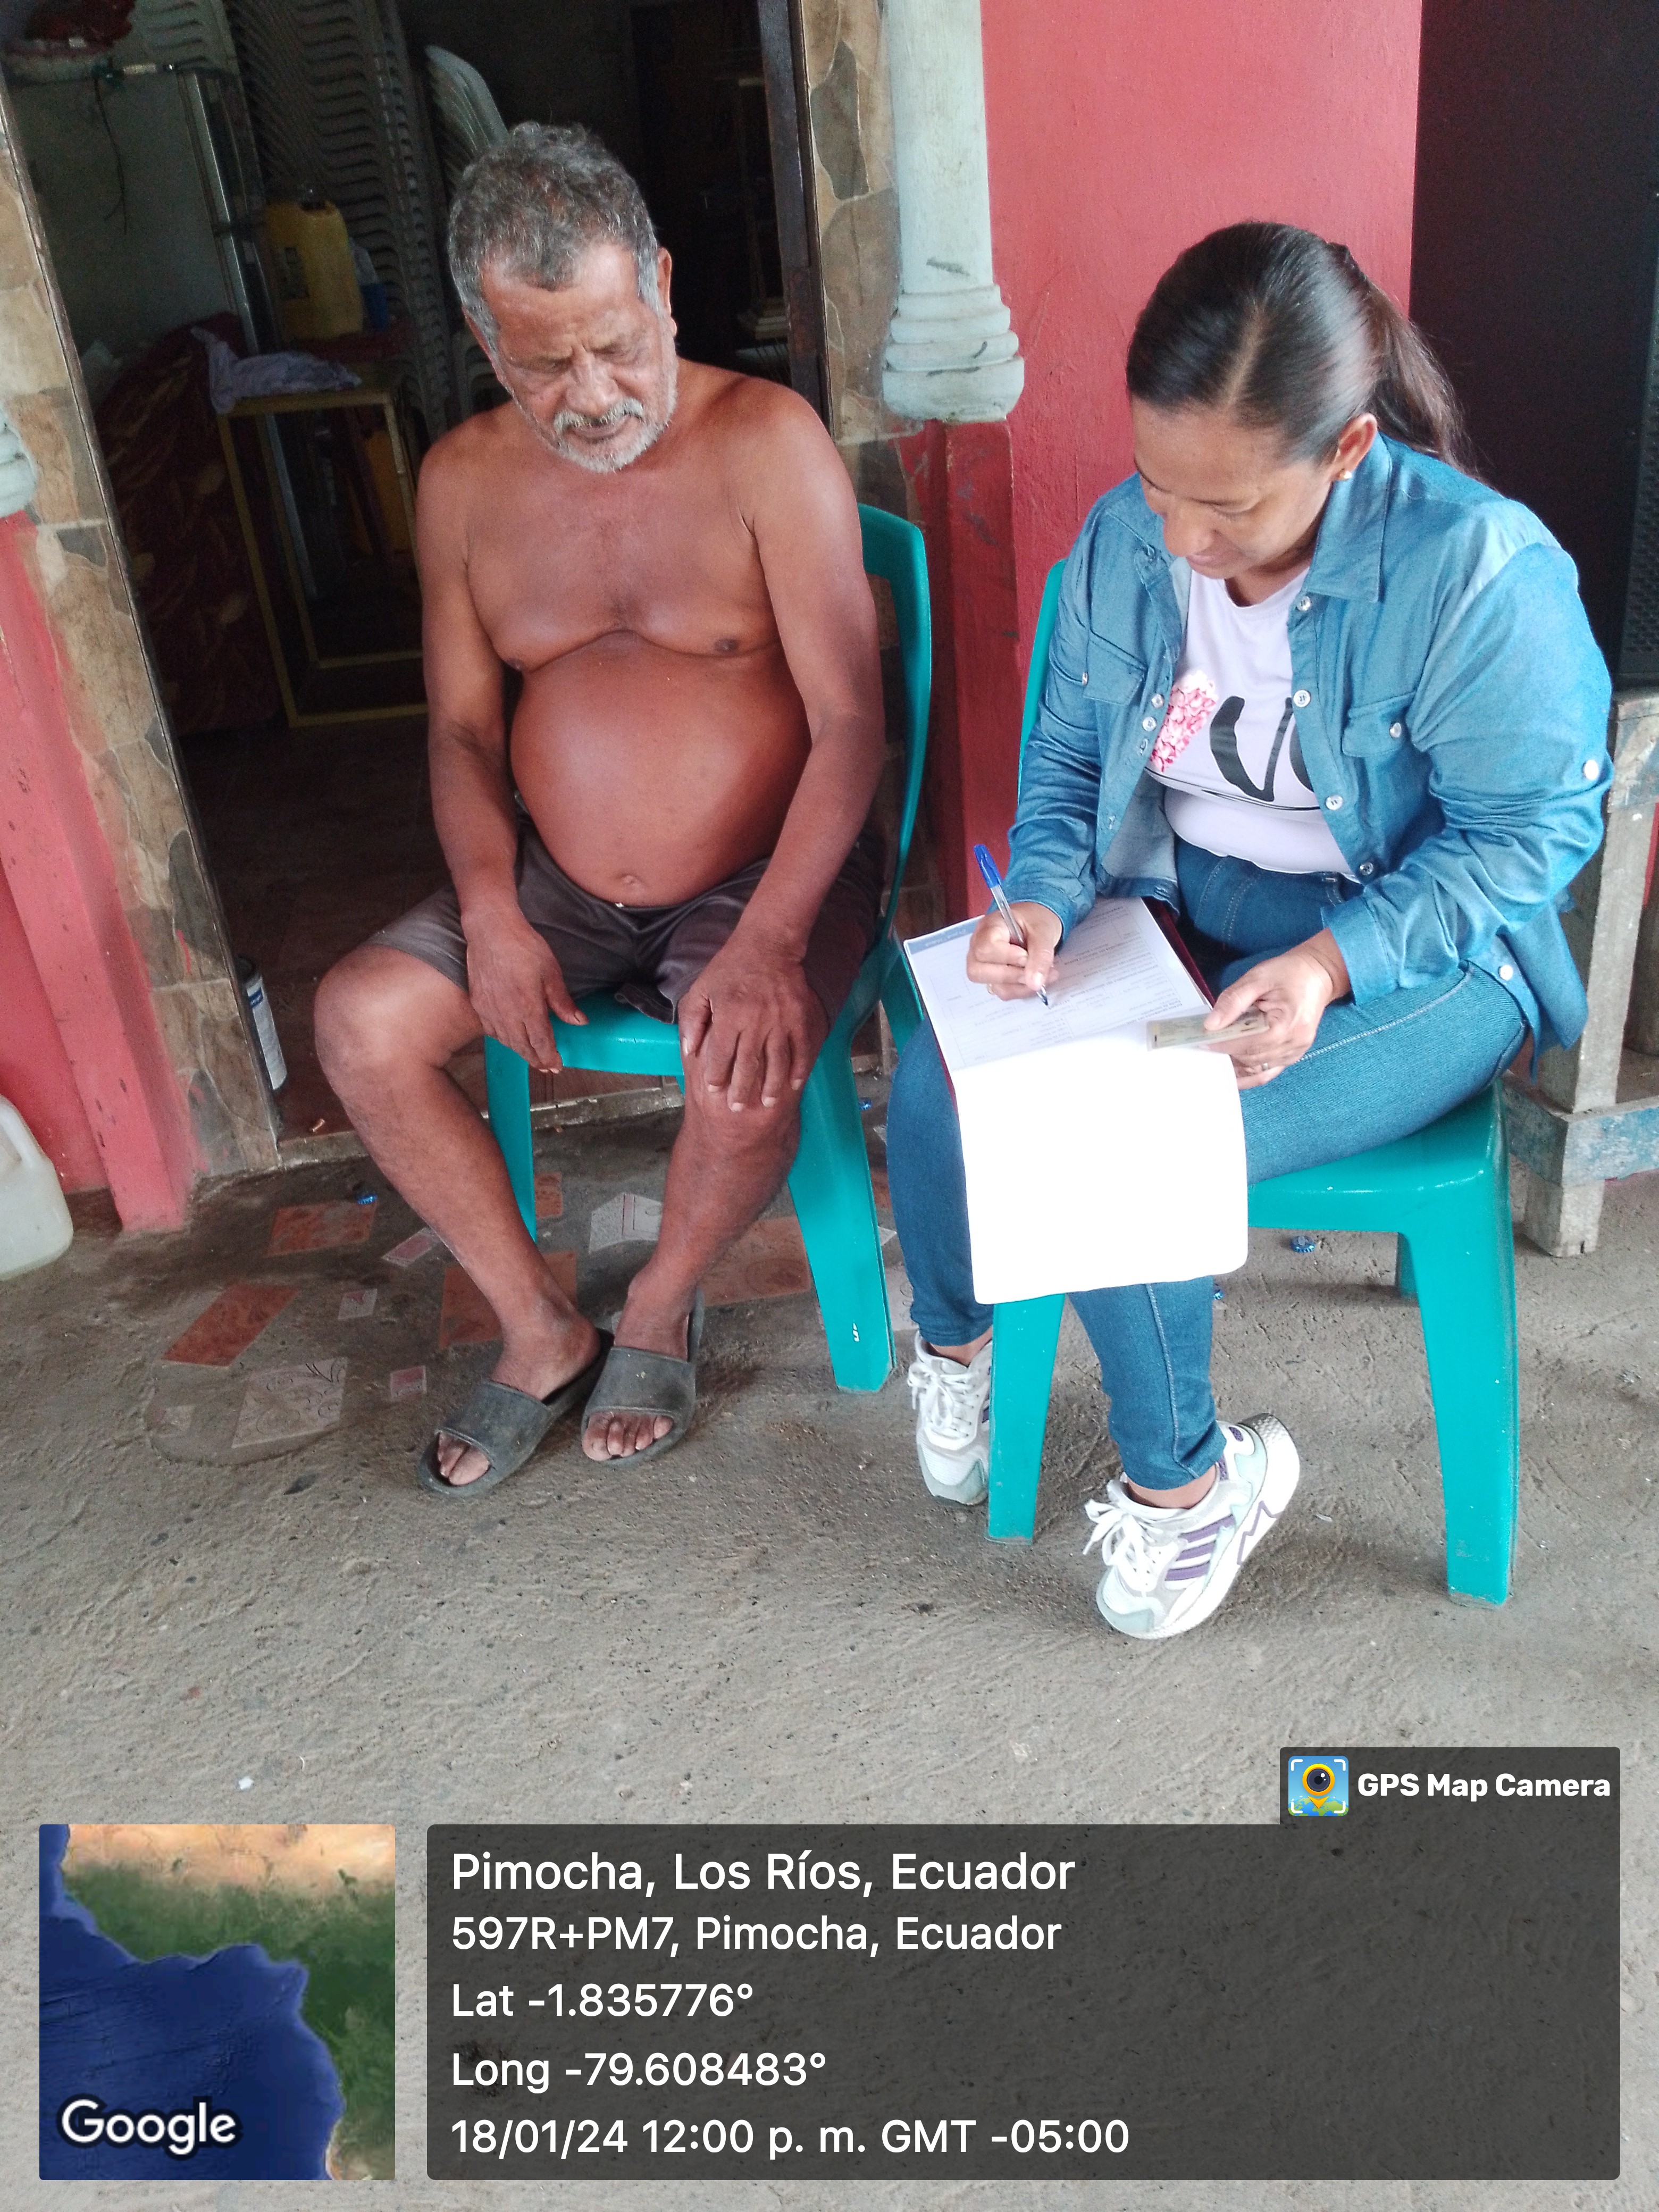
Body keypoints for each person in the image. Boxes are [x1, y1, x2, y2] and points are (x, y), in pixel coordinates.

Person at [886, 222, 1611, 1640]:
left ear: (1347, 451)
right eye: (1159, 485)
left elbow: (1530, 838)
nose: (1182, 540)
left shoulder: (1475, 572)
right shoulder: (1125, 542)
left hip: (1426, 958)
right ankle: (958, 1339)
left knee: (1127, 1139)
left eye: (1228, 510)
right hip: (1192, 904)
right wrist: (1042, 898)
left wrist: (1332, 965)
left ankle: (1189, 1489)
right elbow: (1066, 769)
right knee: (943, 1075)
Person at [314, 127, 885, 1495]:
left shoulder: (766, 442)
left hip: (760, 875)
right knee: (359, 1022)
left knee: (746, 1062)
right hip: (557, 885)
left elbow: (854, 723)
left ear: (663, 286)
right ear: (482, 335)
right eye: (542, 361)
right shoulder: (461, 484)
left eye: (618, 345)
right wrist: (493, 910)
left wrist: (772, 938)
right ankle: (541, 1326)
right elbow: (462, 731)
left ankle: (659, 1306)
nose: (591, 394)